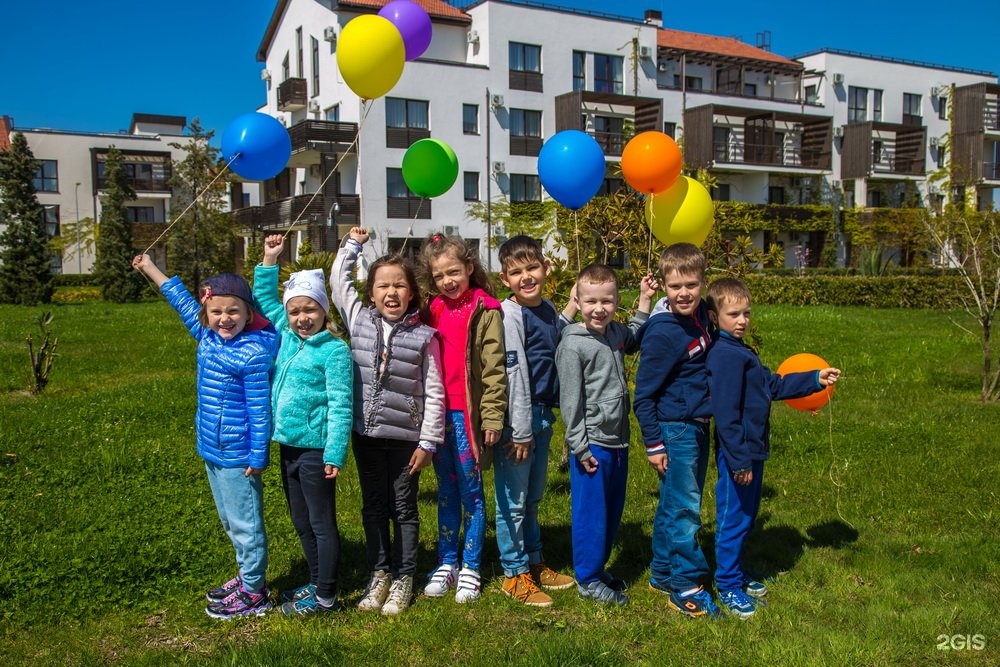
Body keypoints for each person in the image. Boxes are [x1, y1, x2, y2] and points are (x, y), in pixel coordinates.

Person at [131, 254, 278, 619]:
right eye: (216, 312)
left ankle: (255, 591)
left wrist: (258, 456)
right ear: (206, 315)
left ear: (248, 314)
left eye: (233, 312)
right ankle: (246, 576)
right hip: (211, 448)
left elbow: (260, 411)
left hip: (240, 455)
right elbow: (181, 300)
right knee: (230, 520)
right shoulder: (208, 337)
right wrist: (150, 267)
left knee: (246, 524)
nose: (224, 319)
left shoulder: (254, 353)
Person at [705, 277, 840, 618]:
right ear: (713, 316)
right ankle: (728, 584)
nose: (742, 320)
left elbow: (773, 385)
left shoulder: (742, 351)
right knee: (733, 518)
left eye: (746, 313)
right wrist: (738, 461)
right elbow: (726, 415)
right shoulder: (723, 356)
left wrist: (814, 379)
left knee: (746, 517)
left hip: (753, 449)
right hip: (740, 453)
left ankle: (734, 571)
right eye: (733, 314)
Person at [330, 227, 445, 616]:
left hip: (405, 439)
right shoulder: (359, 319)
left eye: (399, 286)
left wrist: (428, 442)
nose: (391, 293)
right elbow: (337, 284)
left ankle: (404, 577)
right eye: (383, 286)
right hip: (365, 434)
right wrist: (352, 247)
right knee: (374, 505)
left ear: (411, 293)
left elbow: (434, 391)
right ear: (372, 293)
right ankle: (379, 573)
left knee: (404, 507)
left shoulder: (425, 336)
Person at [253, 234, 353, 616]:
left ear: (323, 311)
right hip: (288, 446)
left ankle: (326, 597)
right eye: (294, 311)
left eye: (309, 309)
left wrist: (334, 452)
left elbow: (342, 404)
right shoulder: (285, 333)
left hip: (315, 450)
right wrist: (269, 259)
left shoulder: (333, 350)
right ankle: (315, 581)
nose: (301, 318)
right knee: (300, 520)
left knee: (321, 522)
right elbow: (263, 300)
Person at [555, 264, 655, 606]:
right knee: (591, 514)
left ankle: (598, 569)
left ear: (616, 302)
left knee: (612, 510)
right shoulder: (573, 345)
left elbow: (634, 338)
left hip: (618, 440)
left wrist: (644, 301)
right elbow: (570, 403)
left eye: (608, 301)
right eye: (591, 301)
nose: (599, 309)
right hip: (592, 445)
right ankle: (586, 577)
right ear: (578, 301)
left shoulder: (614, 333)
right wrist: (580, 449)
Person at [418, 233, 507, 604]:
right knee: (447, 490)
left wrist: (492, 417)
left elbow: (494, 368)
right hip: (438, 416)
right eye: (439, 276)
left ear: (470, 268)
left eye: (454, 272)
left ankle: (471, 564)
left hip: (468, 417)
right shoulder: (433, 307)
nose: (448, 281)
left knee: (472, 491)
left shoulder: (485, 309)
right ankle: (447, 561)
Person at [633, 243, 718, 618]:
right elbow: (644, 395)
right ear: (664, 287)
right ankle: (686, 584)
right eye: (675, 286)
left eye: (692, 284)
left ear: (703, 282)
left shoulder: (700, 315)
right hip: (676, 430)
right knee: (685, 508)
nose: (684, 293)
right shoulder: (664, 332)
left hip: (695, 425)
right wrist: (654, 443)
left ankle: (662, 572)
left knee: (672, 505)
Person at [494, 235, 576, 607]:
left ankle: (534, 561)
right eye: (516, 272)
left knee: (532, 499)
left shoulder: (545, 308)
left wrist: (572, 308)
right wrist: (521, 429)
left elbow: (554, 334)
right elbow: (515, 374)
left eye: (532, 268)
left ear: (546, 268)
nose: (526, 277)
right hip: (519, 423)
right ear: (504, 278)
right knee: (512, 502)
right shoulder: (509, 315)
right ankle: (513, 573)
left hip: (542, 417)